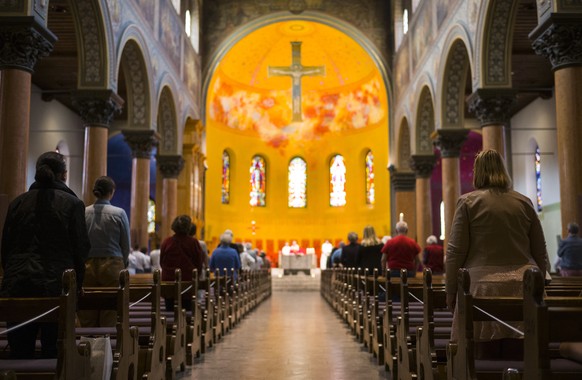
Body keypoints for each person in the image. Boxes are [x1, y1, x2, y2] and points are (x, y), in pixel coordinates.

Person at [446, 149, 548, 360]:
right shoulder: (524, 202)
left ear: (478, 172)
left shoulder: (468, 202)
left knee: (484, 356)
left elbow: (456, 252)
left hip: (482, 288)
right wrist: (538, 285)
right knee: (521, 355)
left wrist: (450, 291)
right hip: (524, 286)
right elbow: (540, 250)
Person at [0, 151, 90, 358]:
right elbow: (80, 249)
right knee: (55, 353)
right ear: (64, 175)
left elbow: (6, 247)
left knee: (20, 354)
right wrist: (78, 285)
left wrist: (11, 275)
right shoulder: (72, 204)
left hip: (18, 285)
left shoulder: (18, 203)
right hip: (56, 286)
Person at [80, 176, 131, 327]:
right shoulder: (119, 213)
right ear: (112, 192)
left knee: (87, 308)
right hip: (113, 264)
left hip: (87, 264)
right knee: (111, 309)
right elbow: (125, 244)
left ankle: (86, 345)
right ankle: (107, 346)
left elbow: (79, 240)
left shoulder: (83, 212)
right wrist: (124, 263)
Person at [160, 215, 205, 311]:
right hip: (187, 282)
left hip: (169, 282)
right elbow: (199, 263)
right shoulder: (193, 242)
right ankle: (187, 323)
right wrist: (196, 275)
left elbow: (162, 262)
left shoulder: (167, 241)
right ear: (188, 227)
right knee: (187, 309)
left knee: (170, 309)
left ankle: (169, 324)